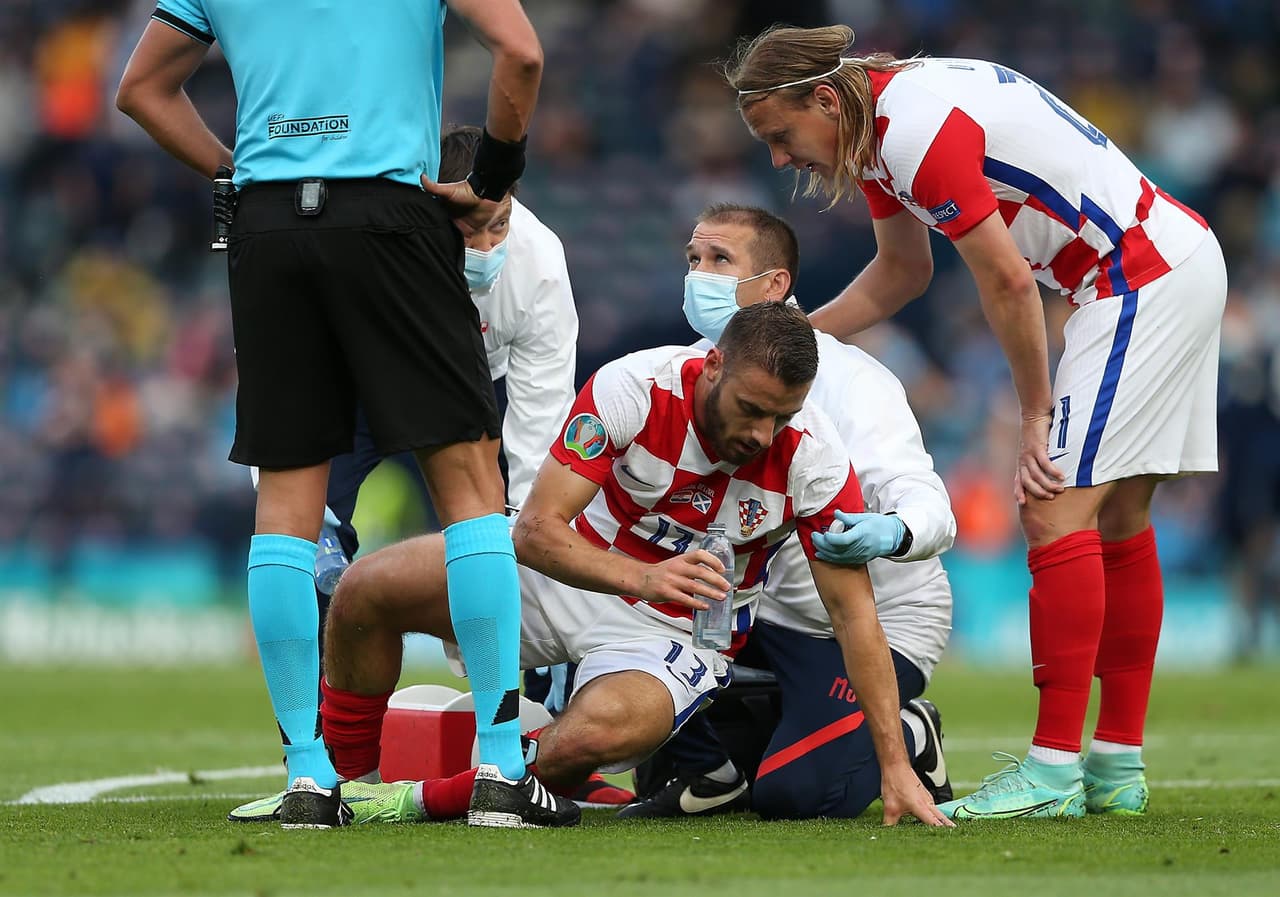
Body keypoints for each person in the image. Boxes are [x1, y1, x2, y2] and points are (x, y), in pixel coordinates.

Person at [726, 25, 1227, 820]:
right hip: (1159, 261)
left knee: (1051, 505)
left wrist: (1034, 414)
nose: (782, 160)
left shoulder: (913, 130)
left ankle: (1053, 773)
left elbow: (1006, 283)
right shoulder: (878, 126)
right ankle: (1113, 767)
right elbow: (903, 271)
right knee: (1121, 517)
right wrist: (795, 337)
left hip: (1134, 276)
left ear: (823, 98)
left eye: (781, 137)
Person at [115, 0, 572, 828]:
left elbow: (142, 90)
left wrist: (237, 170)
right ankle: (502, 767)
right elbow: (521, 53)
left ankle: (306, 775)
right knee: (468, 481)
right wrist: (495, 174)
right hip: (389, 214)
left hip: (266, 225)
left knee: (286, 503)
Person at [316, 301, 951, 827]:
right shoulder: (635, 388)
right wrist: (640, 576)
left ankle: (440, 797)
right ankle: (344, 782)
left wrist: (894, 768)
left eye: (782, 416)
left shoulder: (812, 458)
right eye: (752, 409)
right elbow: (536, 531)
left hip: (673, 633)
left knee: (596, 737)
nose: (764, 433)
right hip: (563, 571)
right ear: (713, 366)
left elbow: (854, 615)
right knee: (365, 590)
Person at [224, 123, 615, 823]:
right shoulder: (366, 249)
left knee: (515, 537)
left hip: (469, 391)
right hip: (353, 395)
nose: (486, 247)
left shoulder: (540, 263)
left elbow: (538, 423)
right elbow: (294, 412)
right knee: (310, 559)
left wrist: (520, 550)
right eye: (468, 229)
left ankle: (530, 740)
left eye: (497, 224)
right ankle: (319, 767)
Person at [619, 203, 956, 820]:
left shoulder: (851, 380)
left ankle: (910, 733)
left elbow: (928, 503)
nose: (699, 276)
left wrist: (895, 531)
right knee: (600, 612)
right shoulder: (686, 371)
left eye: (720, 260)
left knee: (795, 796)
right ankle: (739, 750)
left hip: (869, 619)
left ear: (775, 285)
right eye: (694, 260)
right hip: (751, 613)